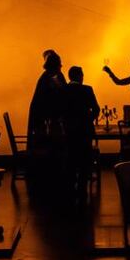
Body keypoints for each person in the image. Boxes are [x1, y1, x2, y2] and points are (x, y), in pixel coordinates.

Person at [64, 66, 100, 206]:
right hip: (85, 130)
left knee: (71, 159)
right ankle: (82, 189)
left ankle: (70, 188)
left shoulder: (63, 90)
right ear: (80, 76)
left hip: (69, 130)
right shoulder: (87, 90)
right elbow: (96, 109)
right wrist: (88, 119)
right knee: (85, 160)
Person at [27, 49, 67, 152]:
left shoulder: (54, 77)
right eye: (59, 65)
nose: (61, 66)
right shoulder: (46, 79)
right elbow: (46, 104)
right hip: (45, 123)